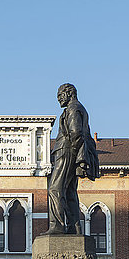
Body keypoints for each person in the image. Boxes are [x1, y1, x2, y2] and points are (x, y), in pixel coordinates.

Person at [45, 83, 99, 235]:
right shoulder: (77, 108)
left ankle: (57, 226)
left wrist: (74, 155)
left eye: (60, 95)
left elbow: (76, 132)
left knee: (55, 189)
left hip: (66, 151)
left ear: (69, 93)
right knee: (69, 192)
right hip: (69, 152)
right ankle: (74, 227)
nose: (58, 99)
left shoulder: (73, 108)